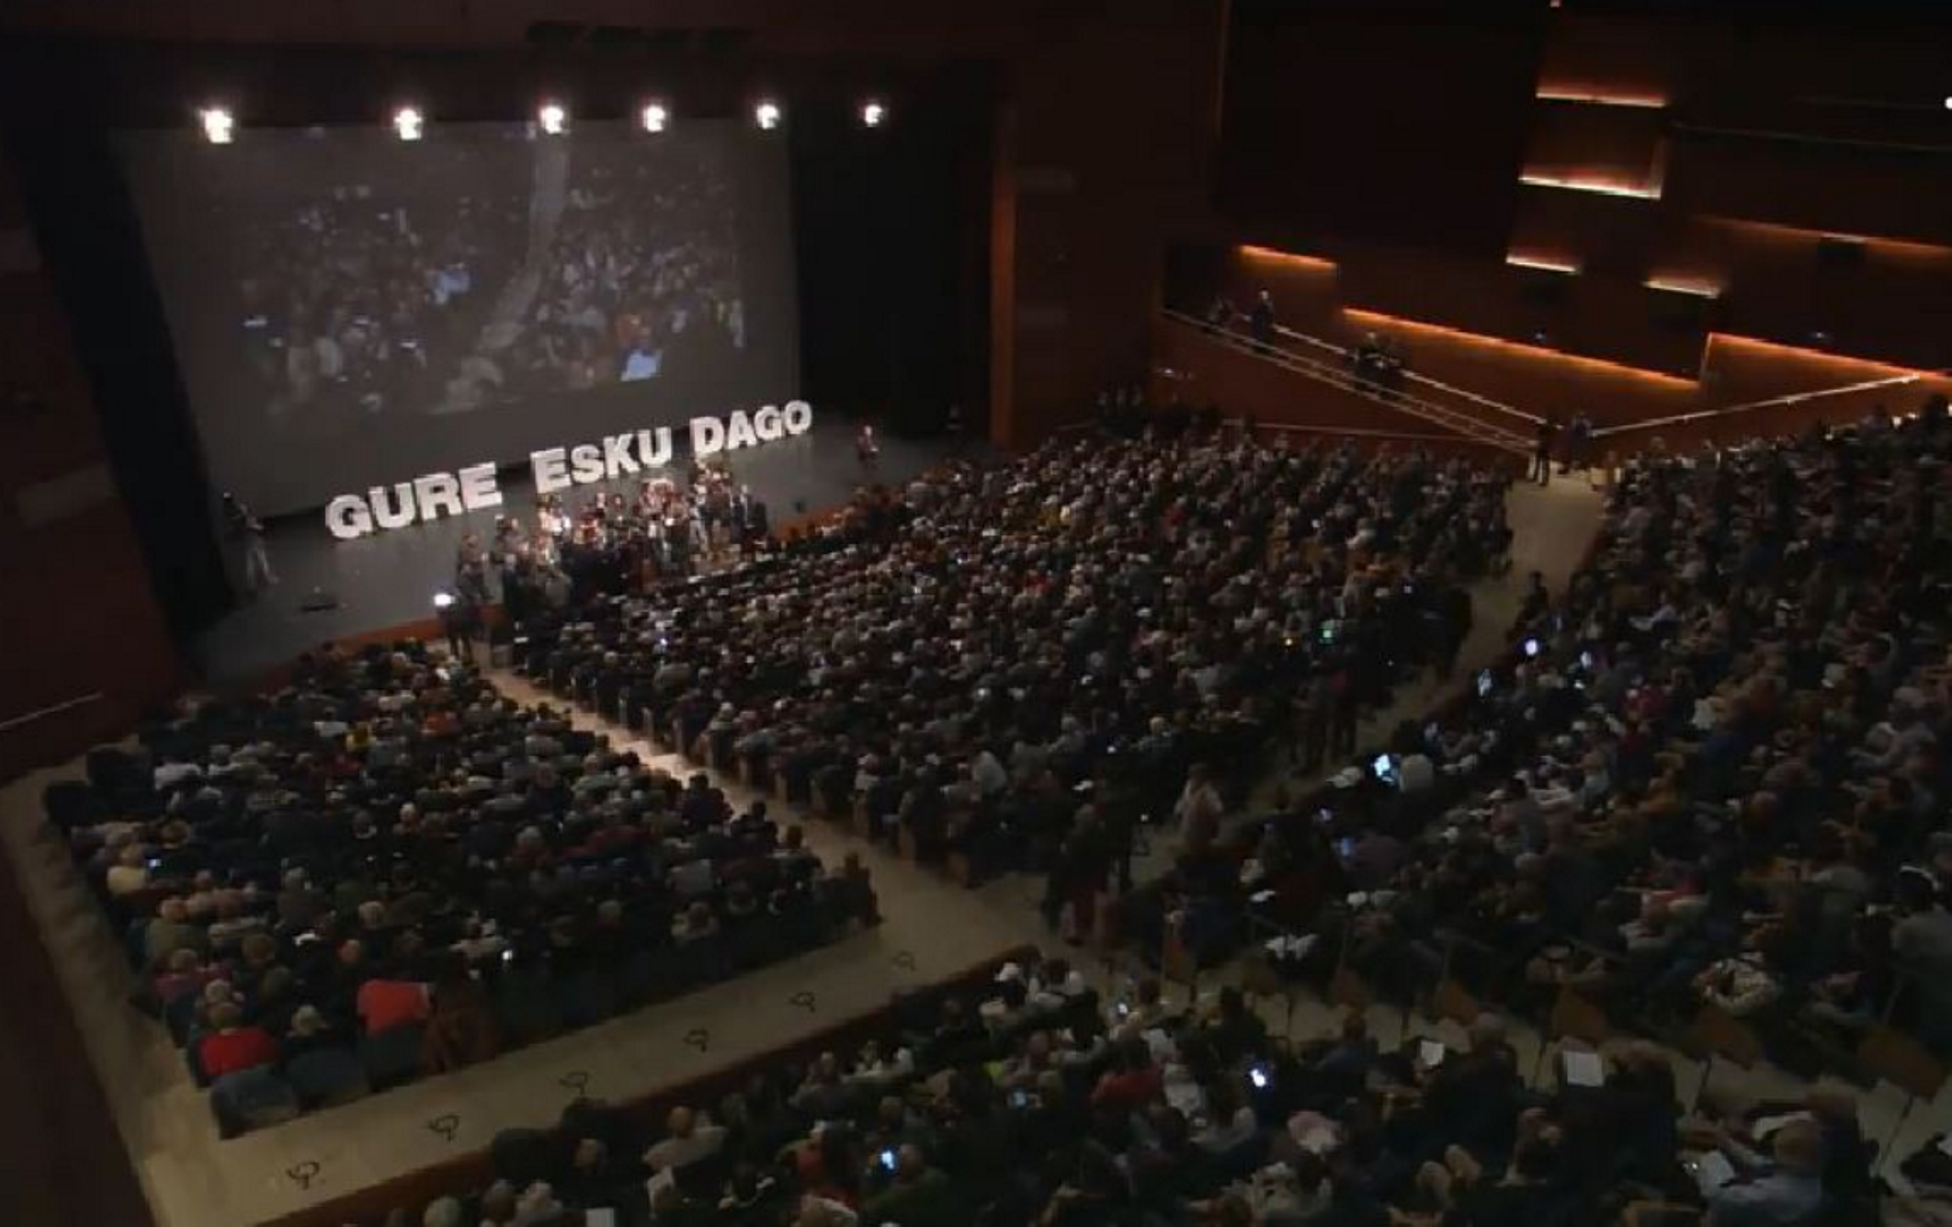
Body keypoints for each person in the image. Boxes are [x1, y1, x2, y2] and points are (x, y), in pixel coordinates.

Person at [222, 492, 276, 594]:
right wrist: (249, 525)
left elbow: (258, 527)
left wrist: (253, 526)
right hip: (250, 542)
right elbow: (243, 527)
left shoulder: (243, 516)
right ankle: (253, 585)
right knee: (252, 565)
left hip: (253, 541)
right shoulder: (238, 517)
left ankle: (262, 580)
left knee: (259, 562)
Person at [1532, 418, 1558, 486]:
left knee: (1540, 464)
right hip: (1546, 448)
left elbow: (1539, 433)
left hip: (1544, 447)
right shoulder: (1552, 429)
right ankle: (1544, 480)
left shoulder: (1545, 428)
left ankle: (1539, 478)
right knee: (1544, 465)